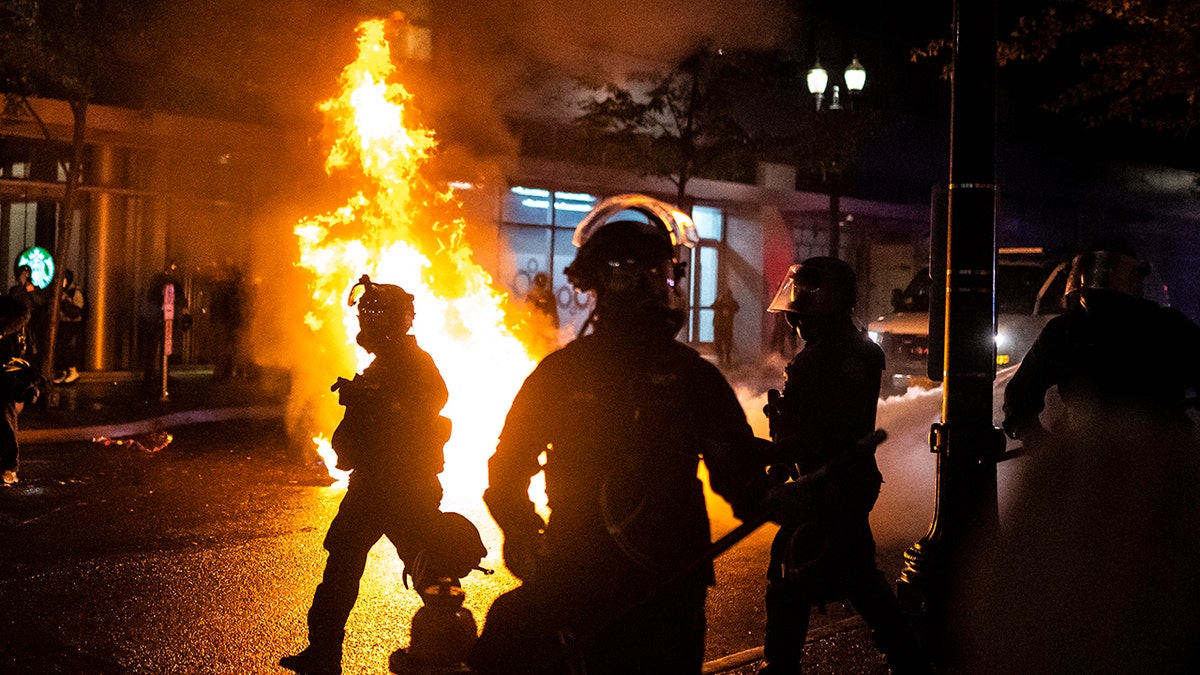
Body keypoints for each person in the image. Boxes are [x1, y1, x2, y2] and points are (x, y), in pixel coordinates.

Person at [470, 194, 772, 674]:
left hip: (631, 579)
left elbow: (506, 471)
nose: (650, 285)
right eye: (643, 275)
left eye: (653, 274)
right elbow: (741, 482)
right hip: (628, 579)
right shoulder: (687, 376)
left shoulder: (566, 374)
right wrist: (524, 533)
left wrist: (525, 533)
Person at [969, 246, 1200, 673]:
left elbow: (1020, 400)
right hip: (1160, 463)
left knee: (1087, 576)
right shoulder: (1167, 327)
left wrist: (1038, 441)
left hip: (1086, 466)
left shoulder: (1067, 330)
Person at [281, 275, 466, 675]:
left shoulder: (415, 362)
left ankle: (453, 653)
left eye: (377, 314)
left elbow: (431, 402)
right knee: (342, 566)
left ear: (399, 320)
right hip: (371, 484)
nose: (369, 322)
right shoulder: (382, 363)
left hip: (405, 486)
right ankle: (322, 654)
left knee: (430, 571)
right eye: (366, 314)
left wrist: (378, 400)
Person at [759, 258, 927, 674]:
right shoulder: (830, 352)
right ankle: (906, 657)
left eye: (802, 306)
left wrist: (779, 447)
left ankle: (784, 666)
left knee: (807, 570)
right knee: (842, 573)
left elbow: (829, 431)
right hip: (827, 480)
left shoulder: (846, 356)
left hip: (835, 484)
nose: (794, 317)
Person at [0, 294, 36, 486]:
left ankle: (9, 467)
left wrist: (2, 331)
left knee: (5, 415)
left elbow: (23, 314)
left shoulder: (9, 304)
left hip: (7, 368)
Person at [140, 262, 192, 384]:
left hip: (163, 319)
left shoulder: (167, 282)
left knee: (163, 347)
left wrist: (183, 308)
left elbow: (180, 296)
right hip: (157, 319)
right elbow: (152, 298)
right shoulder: (159, 281)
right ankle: (153, 375)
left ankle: (159, 374)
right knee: (157, 347)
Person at [53, 269, 85, 384]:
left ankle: (72, 370)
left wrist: (65, 302)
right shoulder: (59, 292)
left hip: (71, 324)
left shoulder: (75, 292)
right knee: (58, 347)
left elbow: (77, 310)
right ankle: (62, 371)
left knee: (66, 347)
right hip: (61, 322)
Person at [712, 286, 740, 366]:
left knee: (727, 343)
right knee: (719, 342)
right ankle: (721, 358)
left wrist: (729, 305)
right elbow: (713, 306)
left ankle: (727, 358)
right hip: (719, 325)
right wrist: (719, 301)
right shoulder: (719, 302)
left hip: (727, 326)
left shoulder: (732, 303)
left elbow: (737, 308)